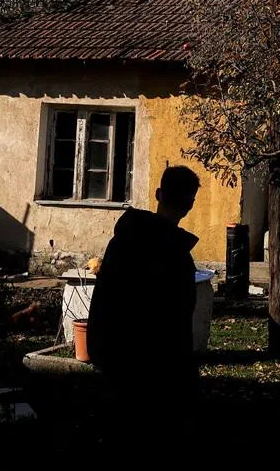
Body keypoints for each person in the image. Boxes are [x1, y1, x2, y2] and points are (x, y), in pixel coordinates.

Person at [86, 165, 201, 403]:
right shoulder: (178, 257)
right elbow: (179, 321)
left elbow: (103, 299)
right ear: (190, 205)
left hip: (114, 355)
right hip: (157, 368)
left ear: (159, 194)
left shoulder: (122, 241)